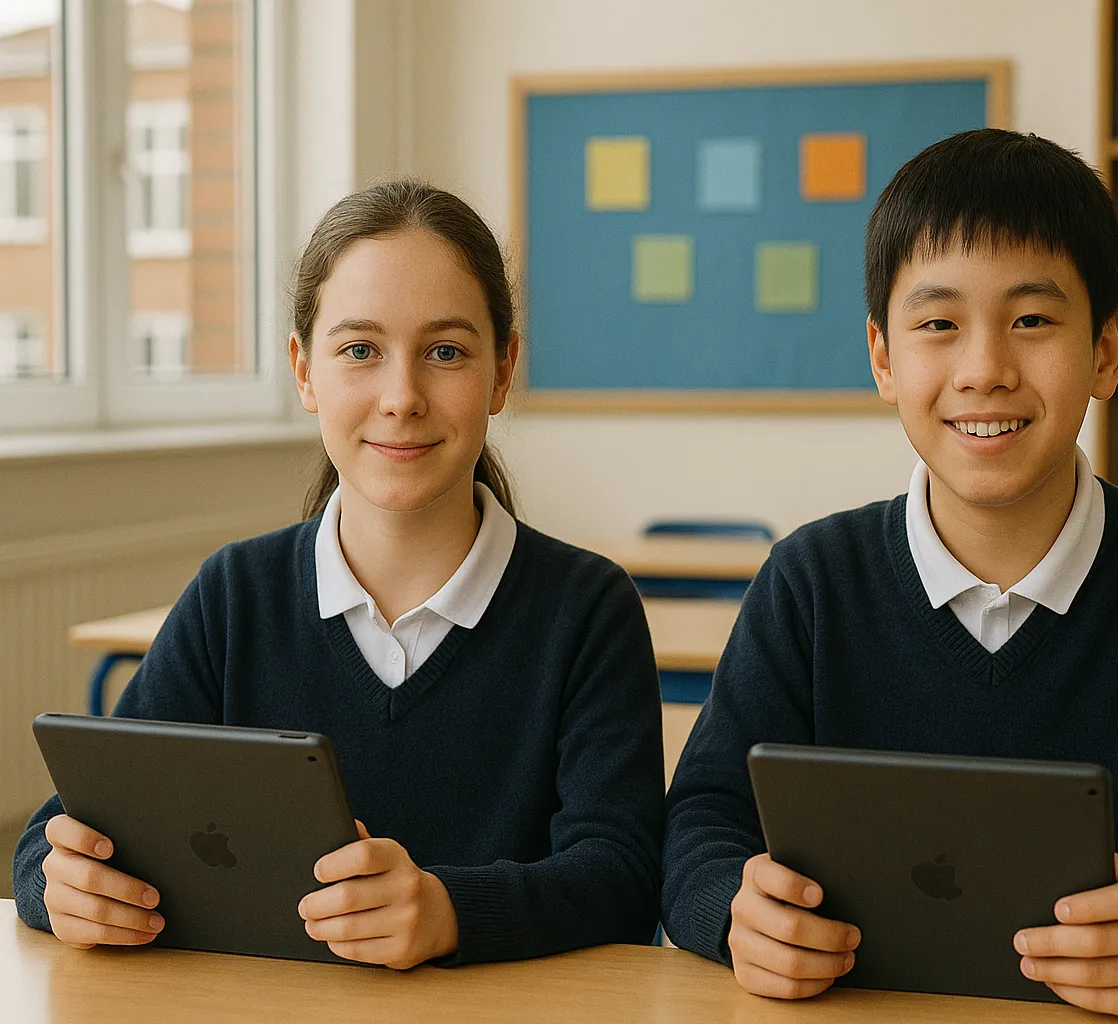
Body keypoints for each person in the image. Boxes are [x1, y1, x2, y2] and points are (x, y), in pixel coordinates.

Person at [661, 129, 1118, 1017]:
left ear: (1107, 350)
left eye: (1032, 320)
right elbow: (697, 824)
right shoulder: (810, 582)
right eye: (938, 325)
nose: (985, 369)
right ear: (884, 356)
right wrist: (735, 912)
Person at [12, 180, 665, 968]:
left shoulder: (587, 610)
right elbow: (65, 827)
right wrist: (63, 883)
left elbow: (625, 877)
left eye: (446, 352)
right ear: (304, 370)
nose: (401, 397)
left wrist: (451, 912)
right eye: (359, 350)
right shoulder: (234, 597)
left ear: (502, 371)